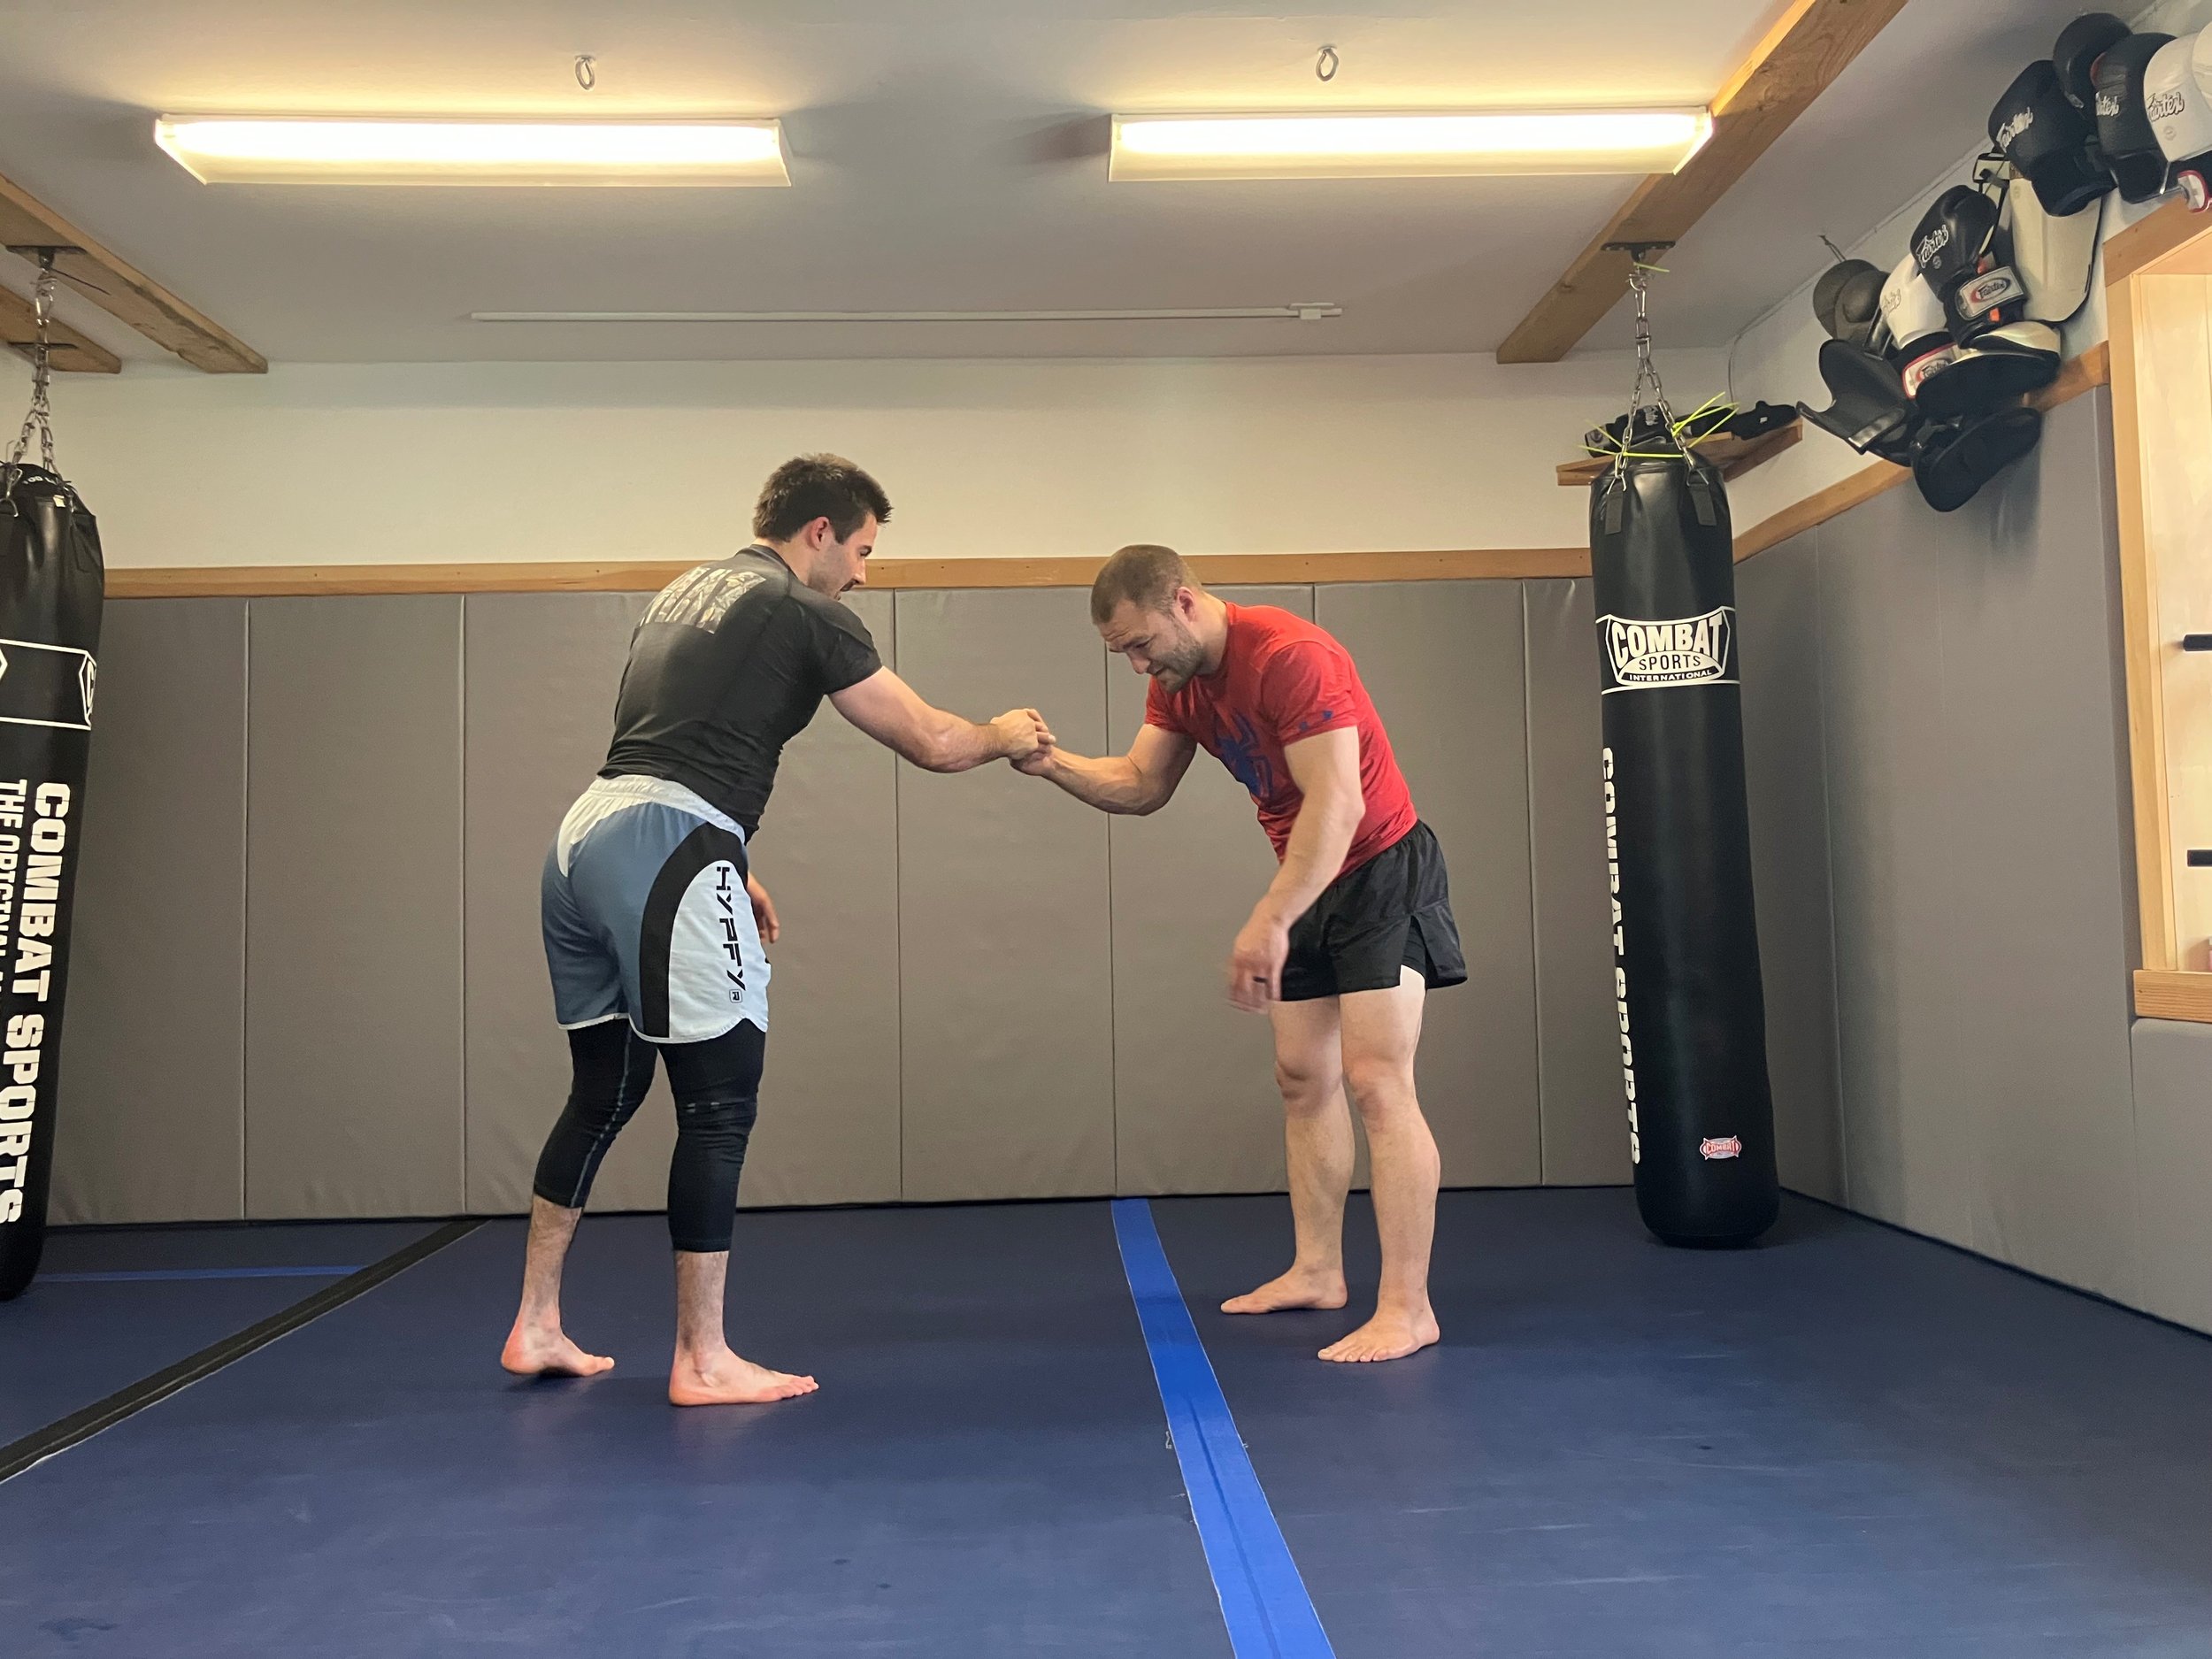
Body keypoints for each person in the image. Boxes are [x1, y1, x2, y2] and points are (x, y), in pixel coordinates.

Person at [501, 454, 1051, 1405]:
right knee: (719, 1099)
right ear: (819, 532)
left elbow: (669, 737)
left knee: (604, 1089)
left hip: (588, 835)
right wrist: (1005, 731)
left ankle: (536, 1324)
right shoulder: (806, 610)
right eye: (863, 551)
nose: (865, 575)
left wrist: (732, 862)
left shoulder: (687, 592)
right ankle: (702, 1359)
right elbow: (931, 741)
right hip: (665, 843)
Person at [1016, 545, 1463, 1363]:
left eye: (1140, 644)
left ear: (1184, 603)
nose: (1138, 664)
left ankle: (1408, 1305)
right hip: (1309, 877)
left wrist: (1269, 917)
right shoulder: (1179, 682)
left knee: (1376, 1079)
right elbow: (1141, 784)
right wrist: (1052, 764)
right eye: (1123, 653)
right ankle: (1319, 1269)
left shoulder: (1292, 656)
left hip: (1381, 868)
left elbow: (1339, 803)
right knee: (1303, 1077)